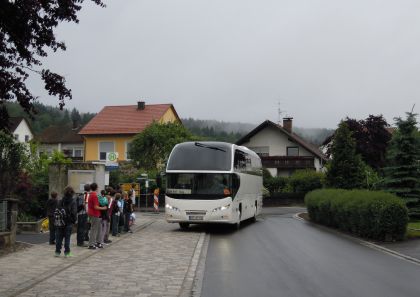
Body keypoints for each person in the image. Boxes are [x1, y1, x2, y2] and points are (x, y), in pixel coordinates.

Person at [55, 186, 77, 257]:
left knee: (59, 237)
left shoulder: (60, 201)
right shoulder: (73, 201)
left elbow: (57, 210)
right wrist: (74, 220)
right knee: (67, 238)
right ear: (72, 193)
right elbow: (74, 212)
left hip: (60, 222)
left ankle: (57, 252)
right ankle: (67, 252)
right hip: (68, 222)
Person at [87, 183, 107, 249]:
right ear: (96, 188)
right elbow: (96, 207)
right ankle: (91, 244)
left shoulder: (91, 194)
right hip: (95, 214)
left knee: (98, 228)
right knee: (94, 229)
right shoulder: (94, 195)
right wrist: (103, 208)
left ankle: (98, 242)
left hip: (91, 213)